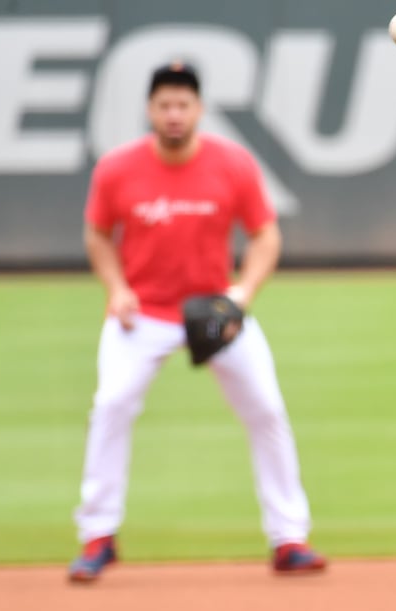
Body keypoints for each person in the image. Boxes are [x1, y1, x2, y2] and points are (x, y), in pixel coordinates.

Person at [68, 61, 325, 582]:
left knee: (267, 411)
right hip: (143, 313)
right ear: (150, 110)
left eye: (183, 104)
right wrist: (116, 289)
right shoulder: (117, 168)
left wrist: (241, 295)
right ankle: (98, 534)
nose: (174, 114)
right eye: (164, 104)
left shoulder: (232, 164)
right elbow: (97, 234)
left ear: (199, 109)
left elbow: (266, 236)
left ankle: (289, 538)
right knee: (111, 406)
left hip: (216, 313)